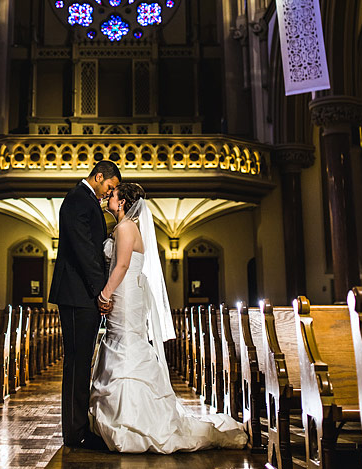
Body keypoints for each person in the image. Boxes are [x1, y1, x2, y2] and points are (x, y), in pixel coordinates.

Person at [89, 181, 248, 453]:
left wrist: (106, 293)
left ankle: (132, 421)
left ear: (123, 202)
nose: (109, 198)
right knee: (124, 340)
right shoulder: (127, 227)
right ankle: (124, 417)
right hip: (128, 292)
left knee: (126, 341)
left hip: (125, 291)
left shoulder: (125, 228)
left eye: (113, 195)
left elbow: (123, 264)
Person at [49, 160, 121, 448]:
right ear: (99, 176)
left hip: (81, 294)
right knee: (77, 364)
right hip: (78, 294)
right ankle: (74, 432)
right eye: (110, 186)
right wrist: (102, 291)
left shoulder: (85, 199)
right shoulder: (78, 199)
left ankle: (78, 427)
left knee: (81, 364)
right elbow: (84, 252)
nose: (110, 192)